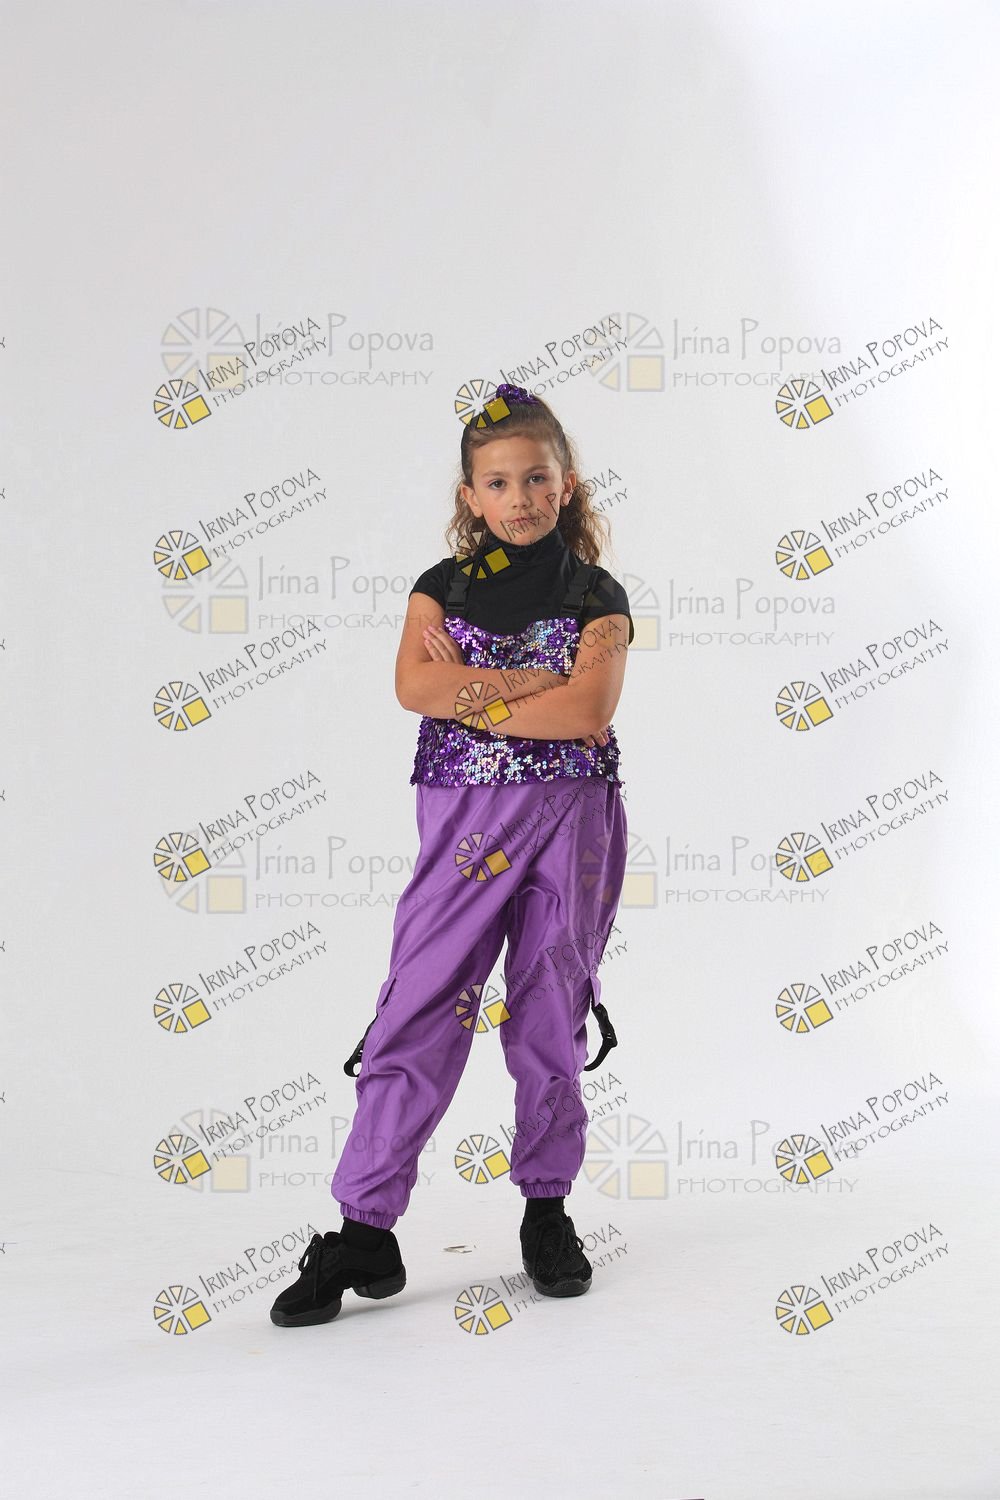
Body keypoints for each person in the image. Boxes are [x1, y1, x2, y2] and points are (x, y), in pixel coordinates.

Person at [270, 384, 632, 1328]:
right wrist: (533, 684)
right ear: (471, 495)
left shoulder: (596, 596)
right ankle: (366, 1230)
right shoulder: (444, 587)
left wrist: (470, 690)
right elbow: (411, 687)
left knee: (550, 1005)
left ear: (566, 484)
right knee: (420, 1000)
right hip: (463, 824)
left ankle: (547, 1211)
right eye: (498, 482)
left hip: (572, 820)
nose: (520, 498)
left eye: (537, 478)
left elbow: (588, 710)